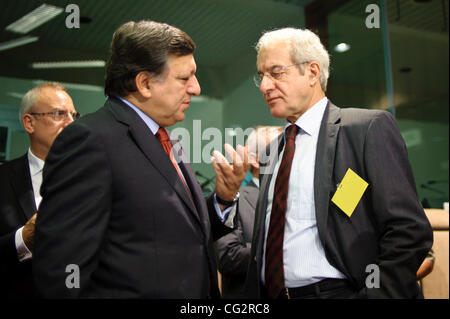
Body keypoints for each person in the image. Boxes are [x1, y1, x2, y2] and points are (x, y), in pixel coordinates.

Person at [33, 20, 247, 299]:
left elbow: (179, 228)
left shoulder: (165, 140)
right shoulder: (89, 141)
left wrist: (222, 198)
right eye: (184, 78)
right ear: (144, 83)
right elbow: (61, 272)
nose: (195, 88)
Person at [244, 27, 433, 299]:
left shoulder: (364, 130)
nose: (265, 86)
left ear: (312, 72)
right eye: (261, 76)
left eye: (276, 72)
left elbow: (408, 231)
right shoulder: (273, 151)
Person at [0, 82, 78, 298]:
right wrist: (23, 239)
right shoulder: (4, 179)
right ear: (29, 123)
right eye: (58, 114)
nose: (71, 123)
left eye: (73, 115)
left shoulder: (98, 176)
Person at [214, 126, 282, 298]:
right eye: (280, 148)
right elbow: (228, 256)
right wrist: (283, 247)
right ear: (256, 160)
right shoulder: (232, 199)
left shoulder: (303, 195)